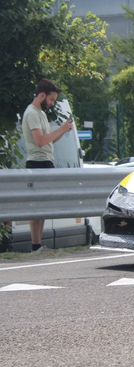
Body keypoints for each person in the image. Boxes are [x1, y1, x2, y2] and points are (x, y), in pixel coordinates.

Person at [22, 79, 74, 252]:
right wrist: (60, 130)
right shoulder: (32, 113)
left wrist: (63, 129)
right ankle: (35, 245)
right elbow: (40, 141)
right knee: (37, 205)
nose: (51, 104)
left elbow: (49, 140)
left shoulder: (40, 113)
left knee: (42, 206)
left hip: (45, 160)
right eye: (51, 99)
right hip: (37, 162)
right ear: (42, 95)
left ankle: (37, 245)